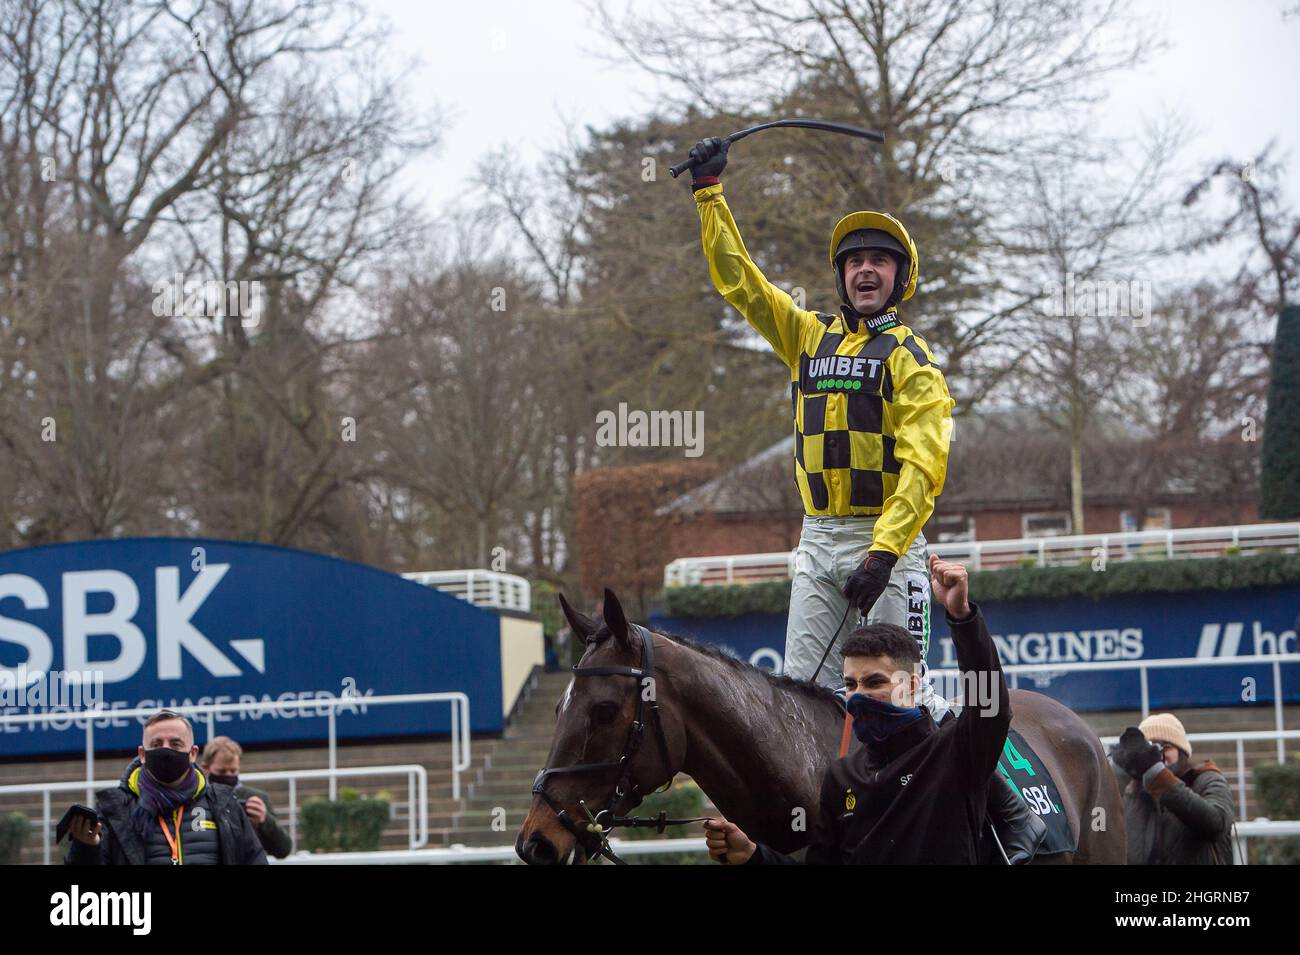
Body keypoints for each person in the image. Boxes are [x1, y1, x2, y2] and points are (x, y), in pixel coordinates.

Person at [685, 137, 956, 718]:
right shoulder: (808, 337)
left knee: (904, 695)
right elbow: (742, 284)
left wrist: (883, 554)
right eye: (854, 261)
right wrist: (710, 194)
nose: (864, 270)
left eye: (878, 261)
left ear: (898, 277)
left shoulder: (912, 358)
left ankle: (1003, 806)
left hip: (889, 545)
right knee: (801, 705)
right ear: (841, 276)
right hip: (818, 539)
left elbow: (923, 467)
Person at [704, 556, 1020, 864]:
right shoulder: (841, 777)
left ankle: (1019, 821)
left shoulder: (954, 751)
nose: (858, 696)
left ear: (911, 685)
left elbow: (989, 703)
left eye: (873, 682)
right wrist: (752, 856)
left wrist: (962, 617)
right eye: (851, 684)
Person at [65, 709, 267, 865]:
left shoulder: (223, 804)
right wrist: (87, 848)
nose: (166, 750)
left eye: (176, 744)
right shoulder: (114, 810)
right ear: (142, 754)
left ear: (193, 753)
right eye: (157, 743)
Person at [1113, 713, 1235, 865]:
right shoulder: (1135, 791)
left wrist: (1160, 778)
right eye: (1151, 749)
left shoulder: (1207, 779)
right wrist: (1128, 776)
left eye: (1166, 748)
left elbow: (1216, 824)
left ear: (1182, 752)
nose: (1158, 756)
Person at [200, 735, 293, 858]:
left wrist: (264, 820)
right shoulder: (199, 798)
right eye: (222, 771)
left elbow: (283, 850)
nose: (228, 776)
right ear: (206, 768)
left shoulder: (256, 798)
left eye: (233, 771)